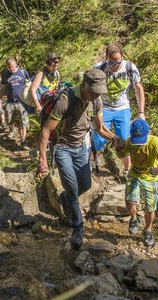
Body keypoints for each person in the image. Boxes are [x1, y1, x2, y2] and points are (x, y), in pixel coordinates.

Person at [38, 69, 116, 249]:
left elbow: (100, 128)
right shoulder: (66, 100)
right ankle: (77, 228)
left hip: (81, 148)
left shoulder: (96, 101)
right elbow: (46, 131)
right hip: (63, 149)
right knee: (73, 189)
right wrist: (42, 159)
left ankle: (65, 198)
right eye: (95, 89)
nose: (97, 94)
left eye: (100, 90)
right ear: (85, 85)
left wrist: (114, 138)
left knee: (86, 185)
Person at [93, 43, 146, 177]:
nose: (115, 66)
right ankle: (89, 166)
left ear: (122, 57)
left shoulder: (130, 67)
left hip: (122, 108)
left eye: (118, 62)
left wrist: (141, 112)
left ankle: (127, 170)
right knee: (99, 140)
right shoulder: (99, 68)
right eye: (112, 63)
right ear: (106, 58)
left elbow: (138, 88)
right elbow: (90, 89)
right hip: (103, 107)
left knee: (124, 140)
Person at [114, 119, 158, 247]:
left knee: (150, 207)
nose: (138, 144)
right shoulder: (130, 141)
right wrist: (118, 148)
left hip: (150, 178)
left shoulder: (154, 141)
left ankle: (148, 230)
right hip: (135, 174)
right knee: (129, 198)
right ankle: (134, 218)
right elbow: (121, 155)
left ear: (148, 133)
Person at [0, 58, 31, 150]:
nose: (12, 68)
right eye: (9, 67)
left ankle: (23, 140)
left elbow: (29, 85)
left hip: (22, 102)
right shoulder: (5, 74)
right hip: (10, 101)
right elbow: (2, 88)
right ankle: (12, 129)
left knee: (23, 122)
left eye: (13, 66)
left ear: (16, 64)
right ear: (7, 66)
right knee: (9, 120)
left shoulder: (23, 72)